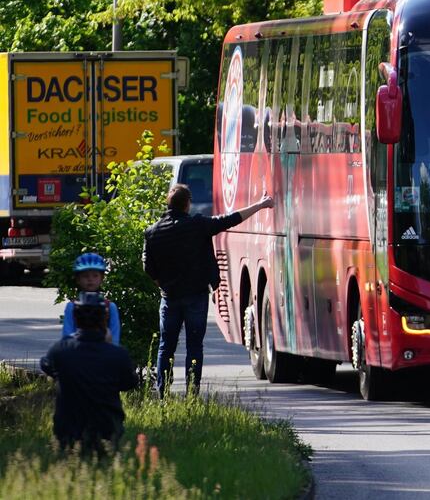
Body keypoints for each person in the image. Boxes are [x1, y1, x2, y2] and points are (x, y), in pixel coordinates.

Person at [143, 184, 274, 397]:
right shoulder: (197, 225)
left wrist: (163, 284)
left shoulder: (153, 232)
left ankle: (163, 392)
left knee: (165, 347)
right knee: (194, 346)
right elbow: (230, 219)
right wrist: (260, 205)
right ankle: (192, 393)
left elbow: (148, 268)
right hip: (196, 296)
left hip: (169, 298)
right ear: (187, 203)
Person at [41, 291, 139, 455]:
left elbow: (47, 366)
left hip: (68, 434)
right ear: (104, 320)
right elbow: (129, 382)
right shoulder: (118, 355)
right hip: (108, 433)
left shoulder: (59, 351)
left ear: (76, 319)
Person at [62, 253, 121, 345]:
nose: (90, 279)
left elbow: (115, 341)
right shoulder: (72, 306)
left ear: (102, 278)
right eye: (85, 276)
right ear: (78, 279)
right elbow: (67, 338)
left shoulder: (110, 307)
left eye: (95, 275)